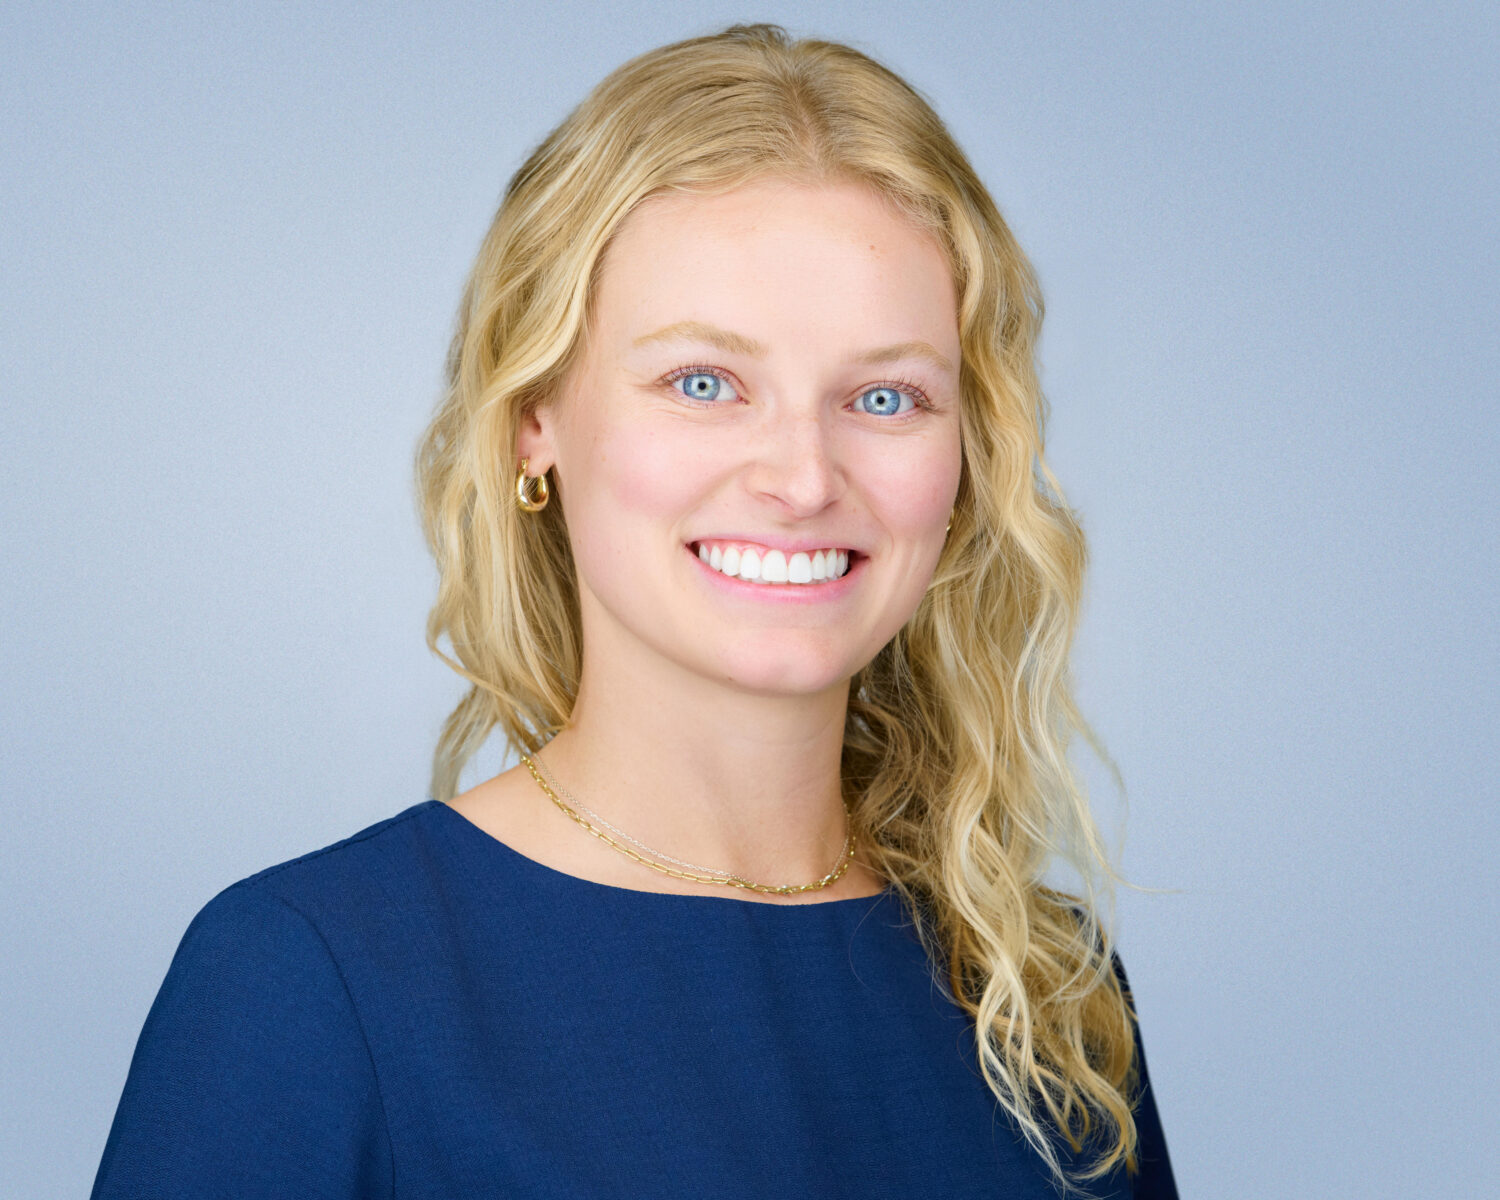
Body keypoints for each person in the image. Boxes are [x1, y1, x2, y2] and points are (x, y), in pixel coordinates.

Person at [91, 23, 1177, 1199]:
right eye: (702, 382)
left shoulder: (1052, 987)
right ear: (533, 421)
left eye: (884, 394)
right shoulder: (308, 982)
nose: (804, 477)